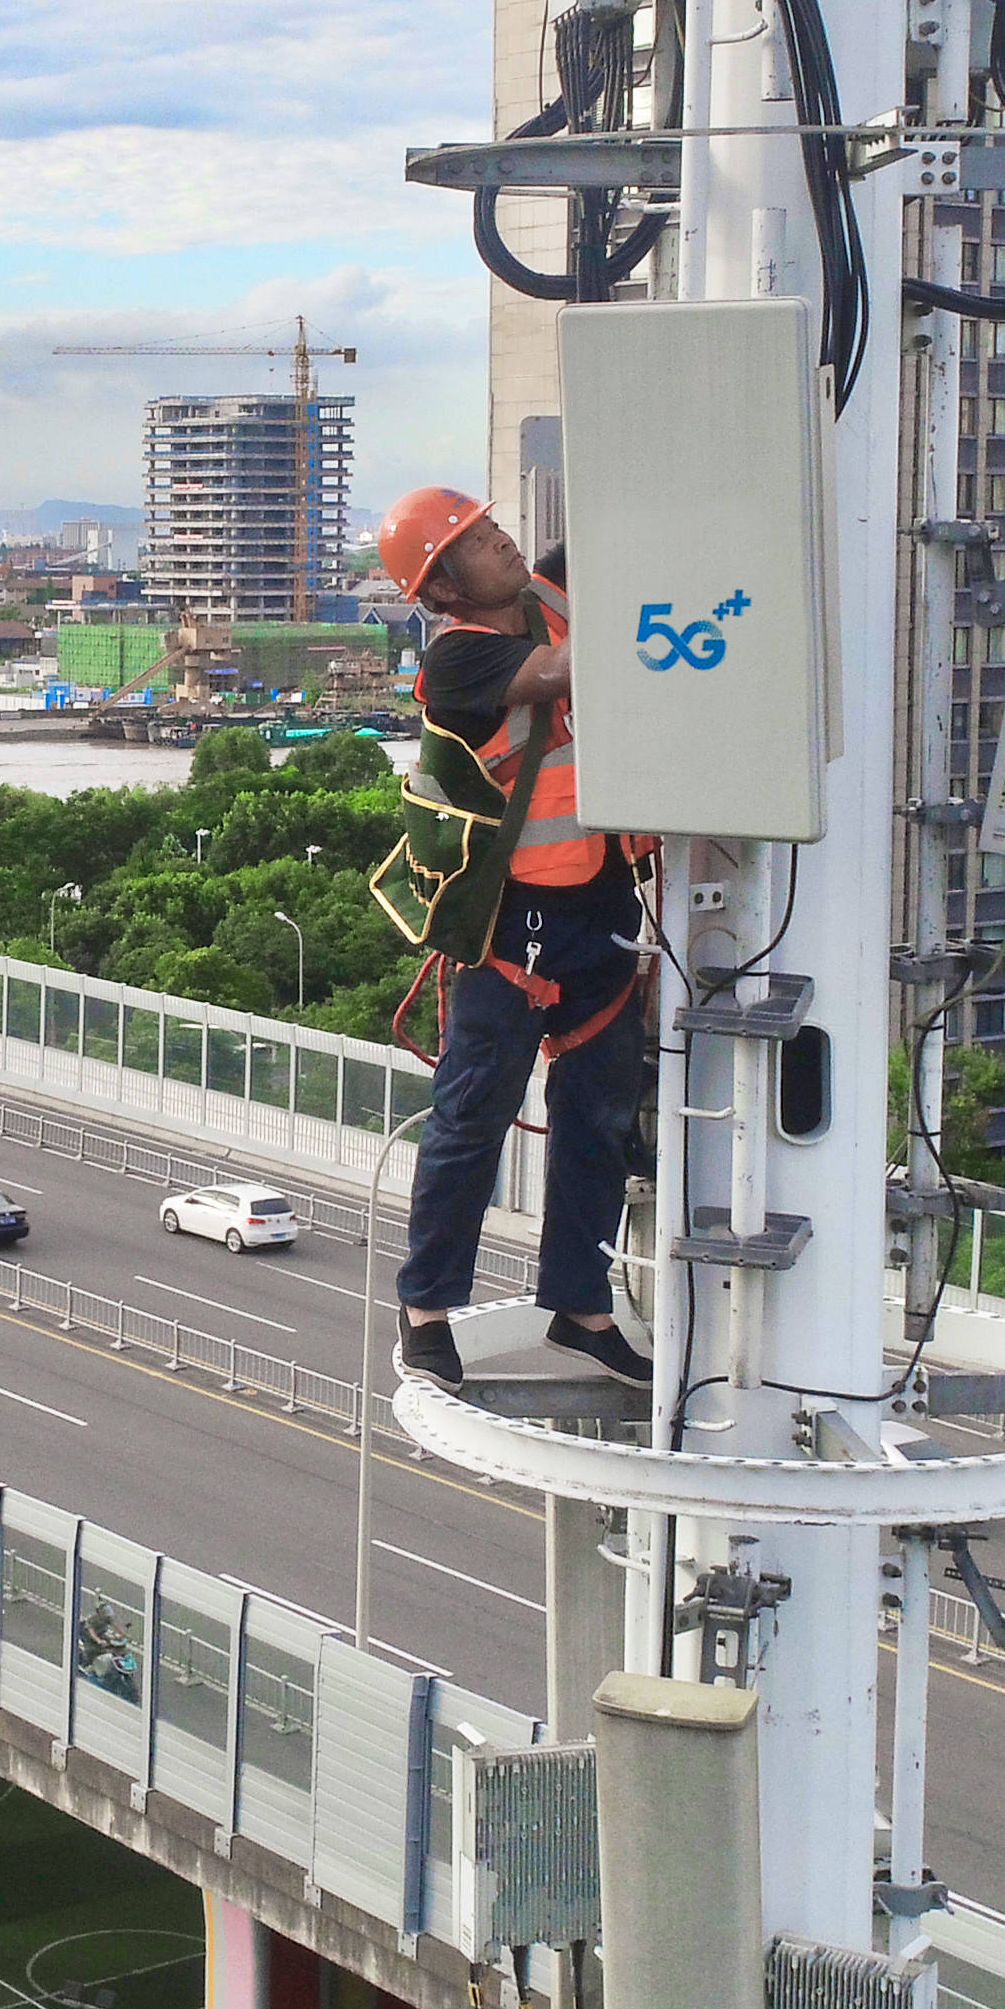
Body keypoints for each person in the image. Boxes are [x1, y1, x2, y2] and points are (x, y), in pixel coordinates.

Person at [378, 487, 652, 1395]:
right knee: (474, 1113)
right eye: (476, 540)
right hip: (515, 920)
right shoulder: (458, 657)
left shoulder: (549, 594)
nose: (501, 541)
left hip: (601, 900)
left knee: (600, 1115)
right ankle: (426, 1308)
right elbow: (562, 672)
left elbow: (619, 524)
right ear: (442, 588)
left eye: (494, 528)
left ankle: (581, 1306)